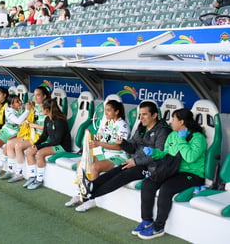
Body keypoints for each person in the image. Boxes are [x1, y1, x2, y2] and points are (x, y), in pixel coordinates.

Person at [68, 101, 171, 212]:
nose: (141, 117)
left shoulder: (162, 131)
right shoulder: (142, 128)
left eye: (144, 114)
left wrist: (136, 161)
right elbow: (132, 146)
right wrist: (123, 143)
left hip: (151, 167)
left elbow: (158, 155)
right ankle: (90, 187)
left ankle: (90, 194)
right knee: (115, 172)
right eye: (140, 114)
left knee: (122, 176)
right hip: (135, 161)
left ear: (154, 115)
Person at [132, 108, 206, 239]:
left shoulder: (198, 138)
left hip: (192, 175)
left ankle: (158, 227)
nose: (171, 122)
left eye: (174, 119)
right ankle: (146, 220)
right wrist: (154, 152)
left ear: (182, 121)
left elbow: (189, 157)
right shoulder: (172, 135)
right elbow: (166, 154)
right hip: (173, 170)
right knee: (148, 183)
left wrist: (182, 140)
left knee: (166, 188)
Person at [24, 98, 72, 190]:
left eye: (42, 109)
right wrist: (36, 144)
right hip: (54, 144)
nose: (41, 110)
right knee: (30, 151)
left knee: (40, 153)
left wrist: (40, 146)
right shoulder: (47, 119)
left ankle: (39, 180)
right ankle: (32, 176)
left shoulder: (60, 121)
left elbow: (57, 141)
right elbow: (44, 135)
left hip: (62, 147)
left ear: (47, 110)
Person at [6, 86, 50, 183]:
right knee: (10, 143)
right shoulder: (34, 106)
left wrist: (32, 125)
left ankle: (24, 174)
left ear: (44, 96)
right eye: (34, 95)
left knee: (18, 146)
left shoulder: (48, 108)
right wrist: (26, 108)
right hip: (31, 134)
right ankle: (13, 170)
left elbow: (47, 128)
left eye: (38, 95)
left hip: (42, 137)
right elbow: (19, 114)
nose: (35, 97)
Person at [0, 94, 31, 175]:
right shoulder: (8, 110)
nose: (20, 102)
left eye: (19, 100)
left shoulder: (23, 106)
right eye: (17, 102)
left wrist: (29, 106)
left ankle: (0, 165)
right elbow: (18, 121)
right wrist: (27, 111)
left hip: (17, 132)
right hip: (6, 130)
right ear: (11, 105)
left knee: (9, 144)